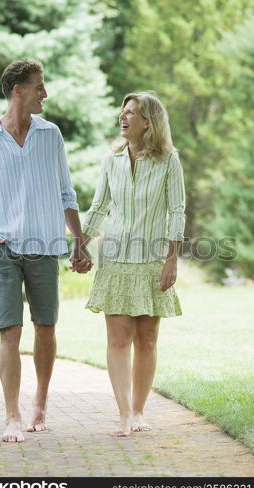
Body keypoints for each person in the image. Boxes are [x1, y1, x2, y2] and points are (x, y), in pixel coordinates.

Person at [0, 59, 92, 443]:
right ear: (18, 89)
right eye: (38, 87)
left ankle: (41, 404)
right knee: (9, 331)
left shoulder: (50, 135)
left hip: (44, 243)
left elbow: (66, 192)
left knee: (46, 327)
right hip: (1, 246)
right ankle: (12, 415)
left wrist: (79, 241)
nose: (44, 94)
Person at [80, 91, 186, 436]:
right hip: (115, 260)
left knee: (147, 339)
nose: (123, 118)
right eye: (122, 112)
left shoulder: (169, 160)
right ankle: (124, 412)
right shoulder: (111, 161)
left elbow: (176, 210)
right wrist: (81, 244)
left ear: (148, 122)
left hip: (153, 259)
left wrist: (172, 258)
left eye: (131, 113)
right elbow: (98, 208)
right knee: (117, 339)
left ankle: (139, 410)